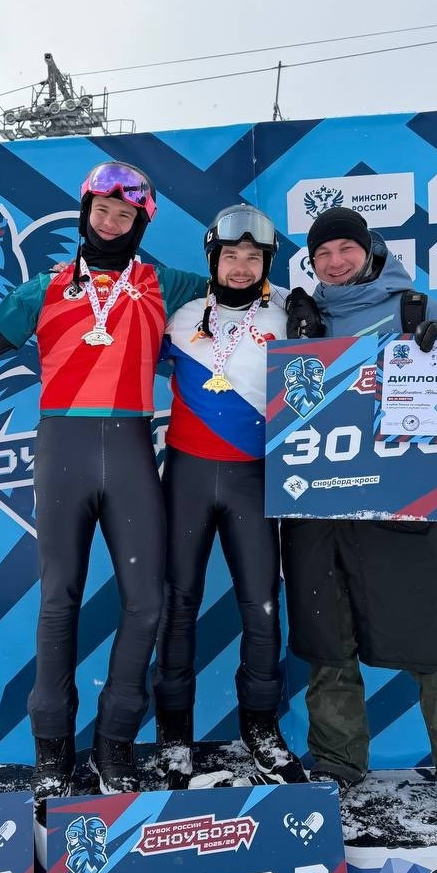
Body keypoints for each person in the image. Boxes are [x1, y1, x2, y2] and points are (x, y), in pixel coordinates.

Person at [0, 161, 207, 801]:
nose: (111, 222)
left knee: (145, 602)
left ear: (141, 222)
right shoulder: (44, 288)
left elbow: (241, 296)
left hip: (130, 448)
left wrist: (306, 305)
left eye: (125, 214)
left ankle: (116, 743)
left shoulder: (165, 283)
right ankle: (53, 750)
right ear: (85, 211)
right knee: (58, 599)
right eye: (102, 210)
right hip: (62, 450)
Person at [282, 205, 437, 821]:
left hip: (405, 503)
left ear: (370, 250)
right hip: (320, 507)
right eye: (323, 254)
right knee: (329, 643)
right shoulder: (301, 316)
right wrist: (292, 340)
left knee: (436, 642)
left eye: (346, 249)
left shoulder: (415, 307)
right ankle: (337, 763)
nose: (335, 262)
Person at [154, 204, 307, 787]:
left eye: (253, 257)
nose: (241, 267)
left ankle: (261, 729)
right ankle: (174, 734)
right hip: (188, 475)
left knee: (262, 605)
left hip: (253, 478)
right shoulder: (182, 313)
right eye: (230, 256)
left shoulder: (290, 311)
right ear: (212, 260)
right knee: (178, 604)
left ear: (266, 262)